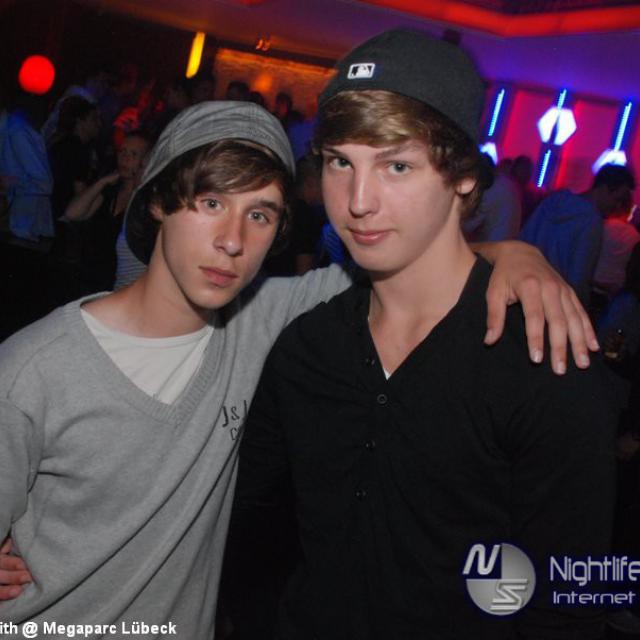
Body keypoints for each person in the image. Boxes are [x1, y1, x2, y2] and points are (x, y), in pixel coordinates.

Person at [0, 97, 596, 635]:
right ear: (157, 201)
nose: (232, 240)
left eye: (259, 215)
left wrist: (515, 254)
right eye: (211, 202)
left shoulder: (268, 320)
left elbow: (419, 256)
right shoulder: (36, 368)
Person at [229, 29, 615, 639]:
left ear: (462, 177)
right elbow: (239, 519)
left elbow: (572, 601)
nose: (358, 201)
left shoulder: (546, 358)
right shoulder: (308, 347)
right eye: (340, 162)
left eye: (396, 165)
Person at [520, 164, 636, 305]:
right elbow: (579, 280)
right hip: (551, 303)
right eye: (617, 199)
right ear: (604, 188)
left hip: (522, 287)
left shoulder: (554, 200)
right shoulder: (592, 222)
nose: (617, 206)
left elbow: (522, 240)